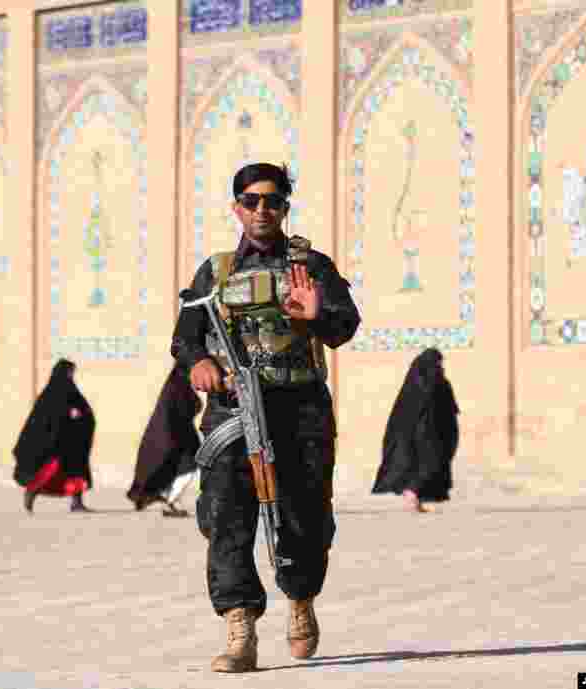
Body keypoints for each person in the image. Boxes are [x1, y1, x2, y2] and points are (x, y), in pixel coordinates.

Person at [171, 162, 360, 672]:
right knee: (226, 515)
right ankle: (240, 626)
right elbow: (185, 338)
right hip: (233, 410)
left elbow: (345, 328)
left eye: (272, 201)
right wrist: (201, 364)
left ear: (284, 208)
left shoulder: (311, 265)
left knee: (304, 516)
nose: (262, 210)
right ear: (236, 207)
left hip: (298, 408)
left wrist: (317, 314)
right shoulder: (216, 271)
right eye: (251, 201)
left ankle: (300, 599)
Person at [372, 348, 460, 513]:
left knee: (426, 466)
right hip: (420, 437)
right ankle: (411, 494)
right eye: (437, 363)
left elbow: (447, 409)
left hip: (428, 436)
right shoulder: (423, 382)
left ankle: (415, 496)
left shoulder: (431, 381)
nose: (440, 367)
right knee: (423, 465)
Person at [12, 359, 96, 514]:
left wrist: (83, 415)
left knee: (77, 471)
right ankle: (31, 492)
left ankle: (77, 503)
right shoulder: (51, 393)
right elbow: (46, 417)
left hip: (72, 442)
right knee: (49, 470)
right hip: (55, 443)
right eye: (70, 372)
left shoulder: (73, 391)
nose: (72, 375)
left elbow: (84, 409)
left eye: (73, 372)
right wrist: (68, 413)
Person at [127, 363, 203, 517]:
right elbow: (188, 407)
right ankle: (171, 501)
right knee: (188, 467)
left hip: (177, 438)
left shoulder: (175, 386)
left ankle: (171, 501)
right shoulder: (178, 387)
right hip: (178, 438)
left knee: (181, 469)